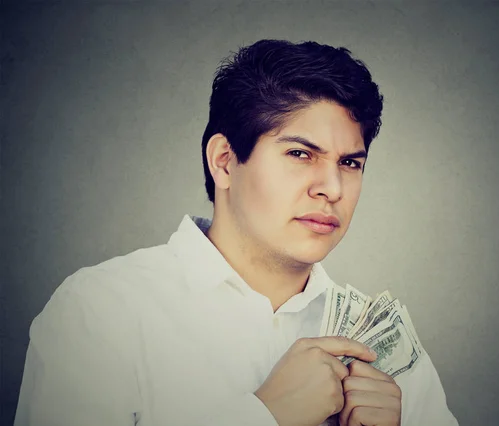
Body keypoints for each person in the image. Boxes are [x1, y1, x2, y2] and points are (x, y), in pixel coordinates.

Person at [14, 39, 458, 426]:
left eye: (350, 163)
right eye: (301, 153)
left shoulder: (376, 346)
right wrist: (265, 417)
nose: (333, 188)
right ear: (224, 160)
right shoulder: (99, 312)